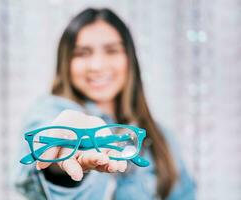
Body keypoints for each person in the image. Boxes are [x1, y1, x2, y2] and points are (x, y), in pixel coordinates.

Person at [15, 8, 195, 200]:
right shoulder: (49, 110)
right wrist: (60, 164)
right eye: (82, 53)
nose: (97, 66)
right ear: (66, 62)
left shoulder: (161, 137)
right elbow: (44, 134)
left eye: (112, 51)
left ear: (129, 59)